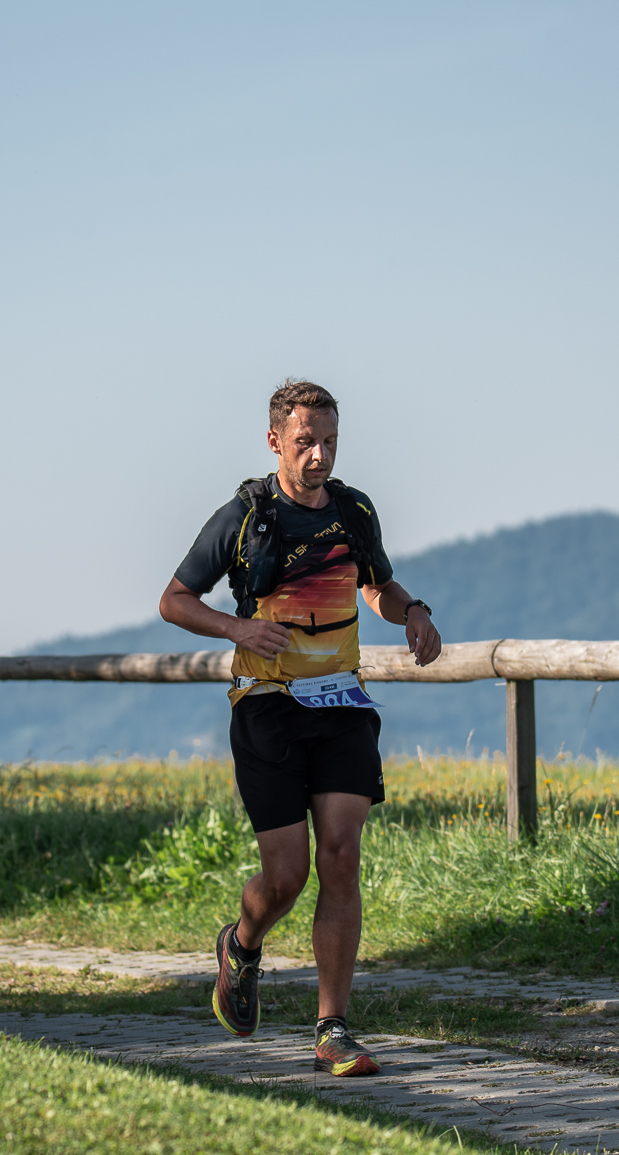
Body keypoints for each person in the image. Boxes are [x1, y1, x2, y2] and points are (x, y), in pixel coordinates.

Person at [159, 379, 442, 1077]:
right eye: (306, 442)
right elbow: (174, 599)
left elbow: (376, 584)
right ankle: (242, 942)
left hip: (341, 703)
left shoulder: (353, 510)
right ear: (275, 441)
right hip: (267, 704)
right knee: (286, 876)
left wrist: (412, 611)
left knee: (341, 855)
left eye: (330, 442)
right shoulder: (243, 516)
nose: (320, 455)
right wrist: (237, 628)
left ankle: (332, 1028)